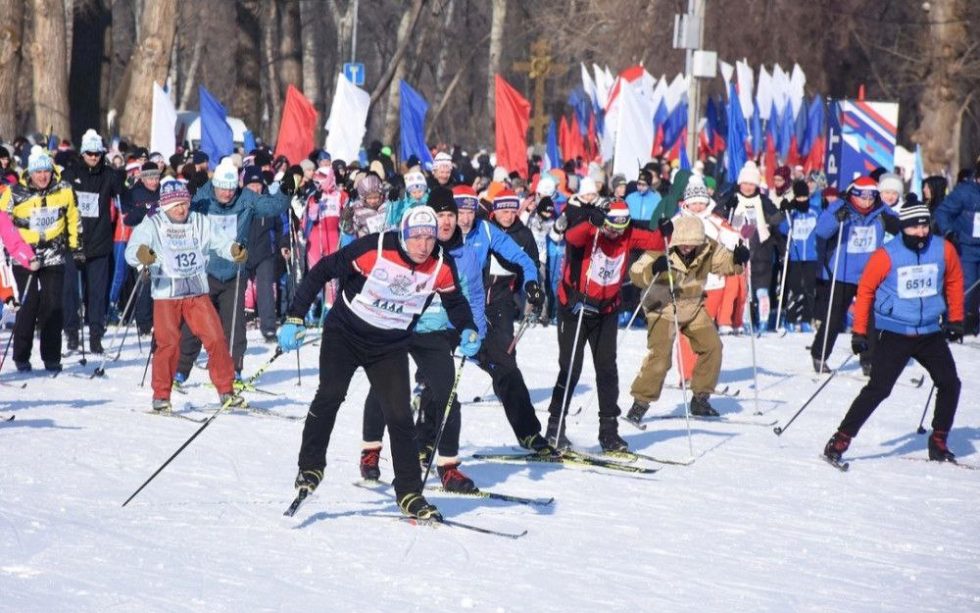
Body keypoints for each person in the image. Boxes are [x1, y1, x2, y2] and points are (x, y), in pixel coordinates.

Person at [277, 206, 478, 521]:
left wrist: (467, 327)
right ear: (404, 235)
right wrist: (294, 316)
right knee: (330, 395)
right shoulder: (376, 248)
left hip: (389, 344)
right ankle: (310, 467)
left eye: (430, 238)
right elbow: (322, 270)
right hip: (345, 333)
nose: (423, 245)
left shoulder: (440, 264)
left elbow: (455, 301)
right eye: (416, 238)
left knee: (399, 415)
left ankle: (410, 493)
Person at [359, 187, 487, 491]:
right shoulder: (412, 243)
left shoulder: (465, 254)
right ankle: (371, 450)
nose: (446, 221)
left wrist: (473, 330)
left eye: (450, 215)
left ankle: (448, 467)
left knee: (447, 396)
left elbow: (471, 296)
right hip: (400, 326)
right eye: (440, 216)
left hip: (435, 332)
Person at [823, 203, 963, 464]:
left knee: (950, 383)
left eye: (924, 225)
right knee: (879, 388)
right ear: (903, 227)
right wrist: (860, 332)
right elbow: (865, 290)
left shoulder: (943, 249)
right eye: (914, 227)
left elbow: (954, 281)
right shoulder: (887, 255)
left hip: (929, 331)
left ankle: (939, 441)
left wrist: (955, 318)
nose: (921, 232)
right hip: (895, 331)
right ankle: (841, 439)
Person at [546, 199, 667, 450]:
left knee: (607, 369)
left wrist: (666, 230)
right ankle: (554, 428)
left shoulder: (627, 234)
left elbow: (656, 242)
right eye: (611, 227)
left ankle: (609, 432)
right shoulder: (591, 230)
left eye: (620, 228)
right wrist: (592, 222)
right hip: (575, 309)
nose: (615, 233)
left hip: (606, 311)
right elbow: (572, 237)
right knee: (571, 368)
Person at [125, 181, 247, 412]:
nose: (181, 209)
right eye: (176, 205)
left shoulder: (199, 221)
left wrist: (233, 250)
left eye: (184, 203)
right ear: (165, 206)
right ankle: (161, 396)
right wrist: (142, 254)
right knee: (168, 344)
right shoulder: (153, 223)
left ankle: (226, 390)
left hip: (196, 291)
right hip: (166, 292)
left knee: (216, 338)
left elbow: (220, 242)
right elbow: (132, 250)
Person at [174, 161, 294, 386]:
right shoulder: (204, 196)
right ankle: (180, 370)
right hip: (205, 271)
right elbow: (181, 211)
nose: (227, 193)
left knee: (235, 326)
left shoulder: (245, 198)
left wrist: (285, 193)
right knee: (195, 322)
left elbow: (270, 206)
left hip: (234, 273)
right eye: (222, 188)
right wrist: (189, 191)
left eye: (231, 188)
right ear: (215, 185)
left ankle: (233, 370)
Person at [626, 215, 749, 423]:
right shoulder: (661, 246)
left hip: (693, 306)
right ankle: (640, 403)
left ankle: (700, 398)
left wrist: (737, 259)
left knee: (712, 347)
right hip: (663, 309)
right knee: (661, 357)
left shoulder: (707, 247)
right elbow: (635, 273)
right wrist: (653, 269)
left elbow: (724, 263)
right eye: (682, 243)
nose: (686, 247)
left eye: (692, 243)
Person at [471, 189, 553, 452]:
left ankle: (527, 430)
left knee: (507, 360)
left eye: (511, 211)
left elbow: (532, 265)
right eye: (503, 211)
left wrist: (533, 290)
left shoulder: (523, 234)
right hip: (471, 301)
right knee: (466, 354)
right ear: (494, 211)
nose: (507, 216)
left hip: (501, 301)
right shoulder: (482, 230)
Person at [0, 146, 80, 372]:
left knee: (53, 305)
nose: (43, 176)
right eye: (38, 172)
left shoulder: (64, 189)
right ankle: (21, 355)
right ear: (30, 173)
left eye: (46, 171)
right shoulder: (14, 192)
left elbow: (73, 218)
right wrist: (15, 249)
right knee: (28, 304)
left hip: (54, 253)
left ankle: (51, 357)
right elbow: (3, 221)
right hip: (24, 255)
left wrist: (76, 247)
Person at [811, 177, 899, 374]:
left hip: (869, 273)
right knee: (835, 317)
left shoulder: (881, 211)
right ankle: (819, 354)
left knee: (869, 318)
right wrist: (836, 219)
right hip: (843, 271)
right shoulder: (840, 206)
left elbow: (900, 228)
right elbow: (821, 230)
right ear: (853, 195)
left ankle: (869, 360)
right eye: (862, 198)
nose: (867, 202)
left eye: (871, 198)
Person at [61, 129, 126, 354]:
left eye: (97, 153)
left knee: (97, 294)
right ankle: (71, 332)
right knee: (70, 290)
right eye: (89, 153)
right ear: (82, 153)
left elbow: (123, 194)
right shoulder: (70, 174)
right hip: (73, 241)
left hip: (99, 242)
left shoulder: (108, 175)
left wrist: (121, 174)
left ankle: (96, 335)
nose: (94, 157)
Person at [720, 161, 783, 333]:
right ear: (740, 183)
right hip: (737, 248)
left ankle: (763, 320)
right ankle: (744, 320)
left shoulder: (762, 200)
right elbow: (720, 215)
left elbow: (776, 218)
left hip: (761, 248)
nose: (748, 187)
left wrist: (780, 213)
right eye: (745, 183)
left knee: (761, 288)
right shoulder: (732, 197)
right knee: (742, 289)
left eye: (752, 184)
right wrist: (727, 208)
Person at [934, 160, 980, 334]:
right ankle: (954, 322)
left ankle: (974, 323)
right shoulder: (964, 192)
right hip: (966, 247)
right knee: (967, 285)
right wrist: (949, 232)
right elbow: (942, 212)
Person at [241, 168, 286, 342]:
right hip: (242, 252)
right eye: (251, 185)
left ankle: (268, 329)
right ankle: (233, 328)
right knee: (235, 290)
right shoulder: (237, 202)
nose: (255, 188)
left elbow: (282, 225)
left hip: (265, 251)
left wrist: (284, 244)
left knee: (265, 290)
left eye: (258, 184)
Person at [777, 180, 820, 332]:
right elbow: (783, 229)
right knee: (794, 288)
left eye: (804, 197)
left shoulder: (815, 211)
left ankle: (806, 319)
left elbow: (823, 227)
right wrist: (785, 213)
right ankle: (791, 318)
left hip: (811, 256)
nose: (802, 200)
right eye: (799, 197)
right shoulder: (792, 212)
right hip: (795, 256)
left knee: (809, 288)